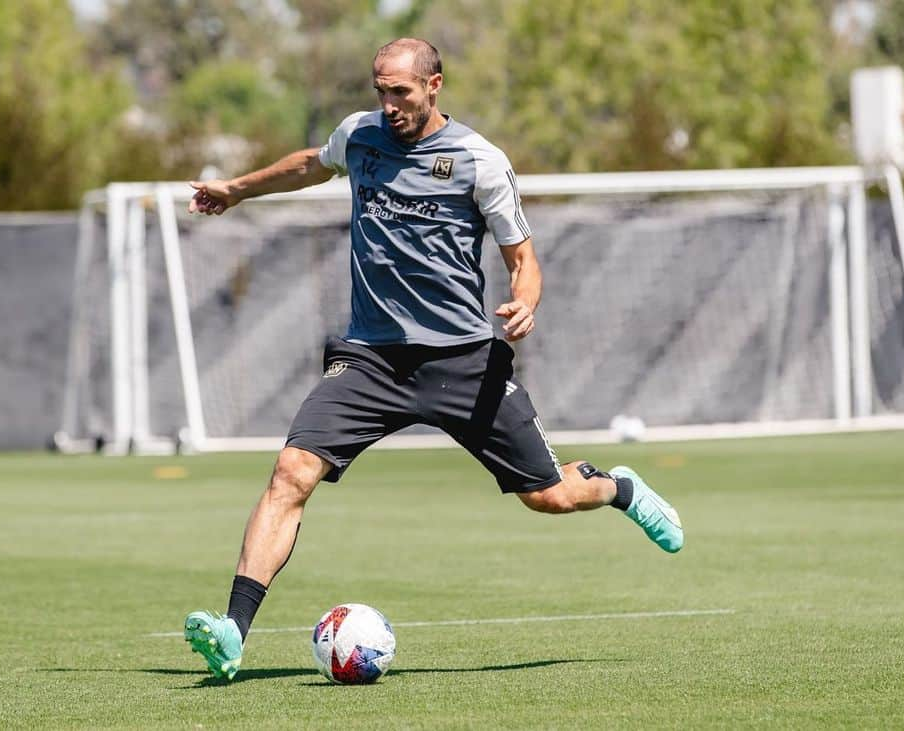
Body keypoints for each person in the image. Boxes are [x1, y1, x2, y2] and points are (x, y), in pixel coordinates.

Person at [183, 38, 683, 681]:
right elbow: (312, 163)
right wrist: (236, 190)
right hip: (371, 360)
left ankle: (620, 488)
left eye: (401, 91)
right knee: (291, 471)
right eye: (379, 90)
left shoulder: (480, 161)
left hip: (463, 361)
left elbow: (522, 260)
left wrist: (525, 303)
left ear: (434, 85)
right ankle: (233, 632)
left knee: (550, 497)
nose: (388, 104)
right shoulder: (359, 137)